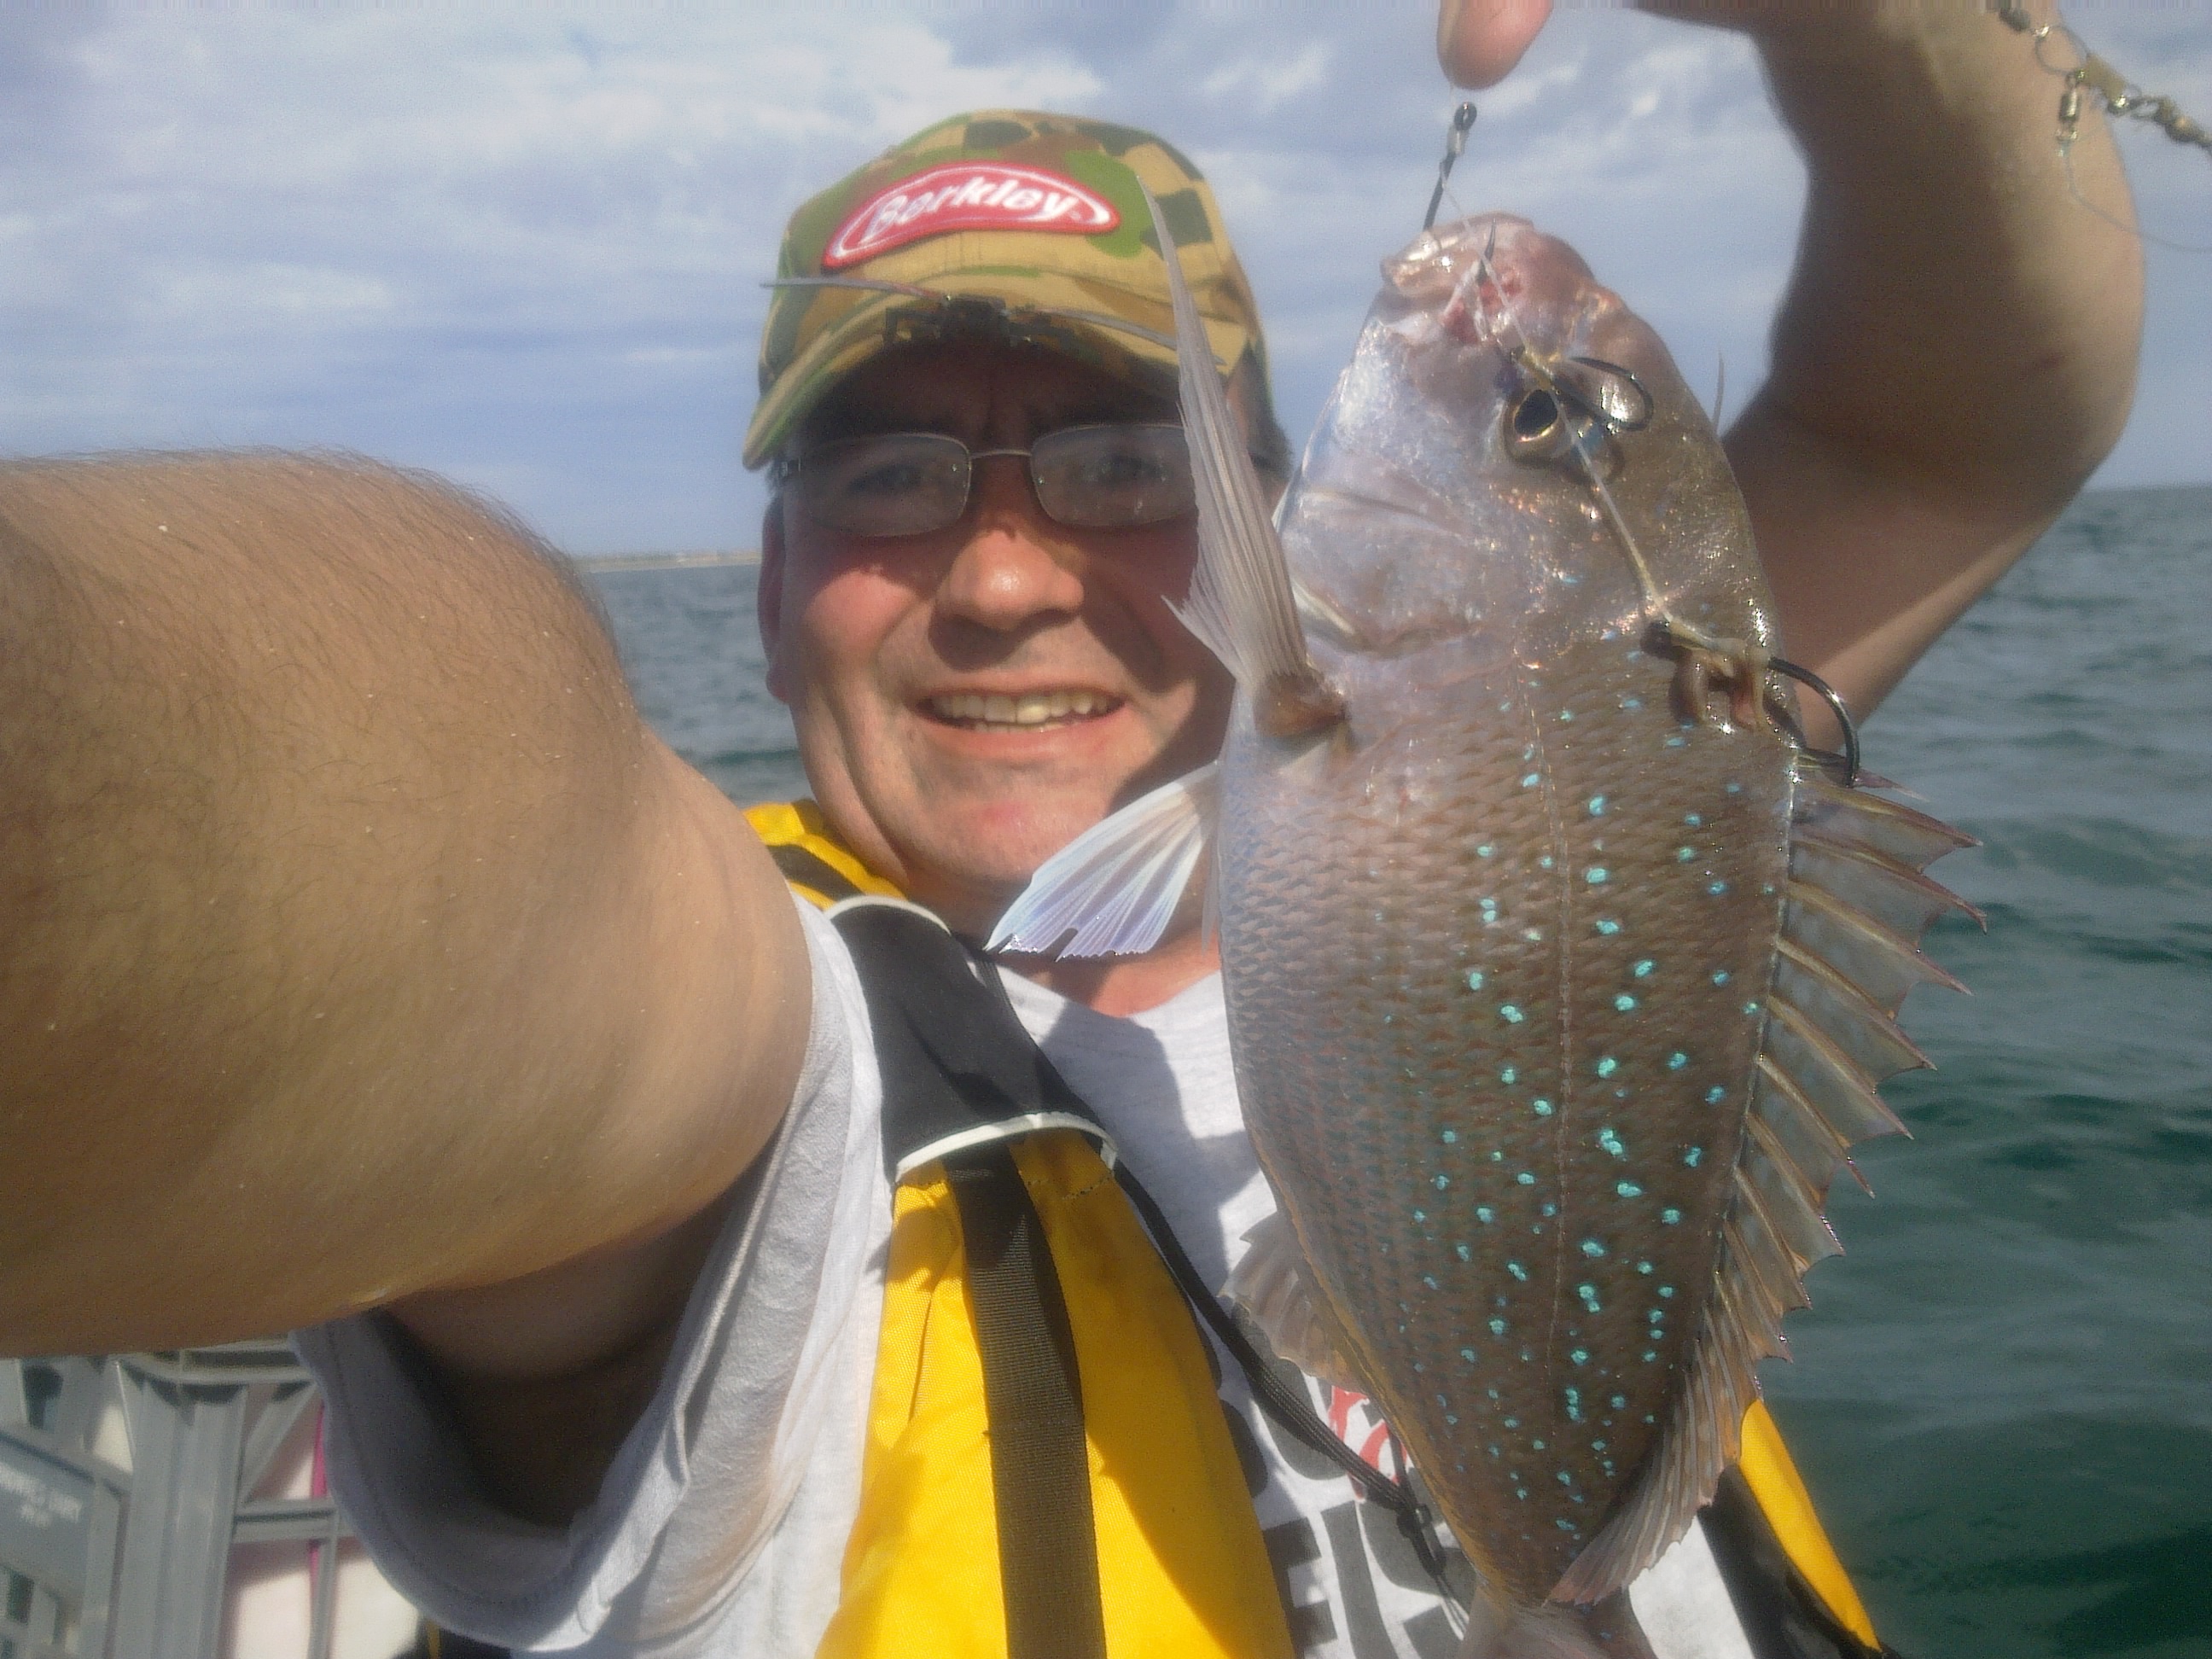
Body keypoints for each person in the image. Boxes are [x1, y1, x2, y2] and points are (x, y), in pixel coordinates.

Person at [0, 3, 2143, 1656]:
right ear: (770, 587)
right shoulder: (738, 1071)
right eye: (892, 477)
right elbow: (456, 865)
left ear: (1264, 512)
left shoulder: (1630, 739)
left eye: (1122, 462)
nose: (1007, 579)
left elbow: (1963, 415)